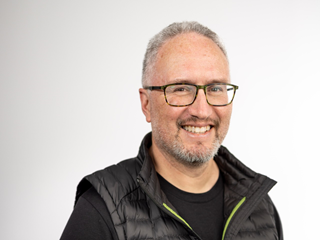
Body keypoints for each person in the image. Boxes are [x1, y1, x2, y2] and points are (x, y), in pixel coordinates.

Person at [61, 21, 283, 240]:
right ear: (146, 104)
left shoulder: (260, 207)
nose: (202, 110)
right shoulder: (102, 209)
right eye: (181, 88)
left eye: (215, 88)